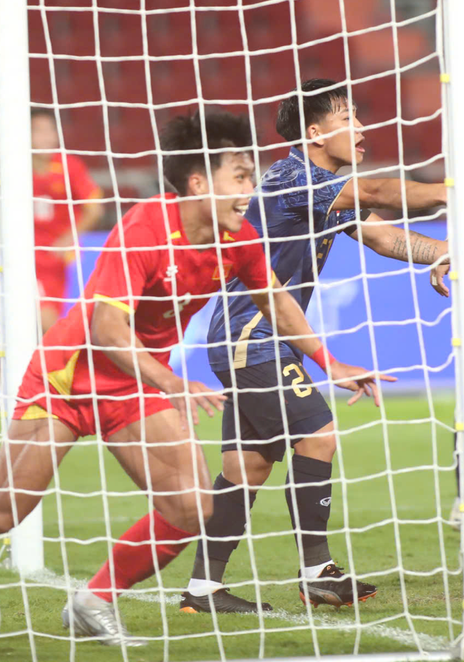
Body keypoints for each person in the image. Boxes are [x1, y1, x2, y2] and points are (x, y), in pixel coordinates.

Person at [0, 110, 385, 649]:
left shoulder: (239, 238)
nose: (251, 190)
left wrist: (330, 362)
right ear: (199, 183)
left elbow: (275, 300)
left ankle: (94, 600)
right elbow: (107, 328)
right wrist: (171, 383)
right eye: (241, 177)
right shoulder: (146, 227)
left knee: (191, 507)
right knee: (1, 512)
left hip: (135, 383)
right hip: (67, 377)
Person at [180, 78, 449, 614]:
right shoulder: (292, 178)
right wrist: (452, 190)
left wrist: (445, 252)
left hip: (263, 338)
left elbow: (384, 237)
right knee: (319, 435)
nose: (362, 128)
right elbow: (375, 193)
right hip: (252, 336)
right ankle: (317, 572)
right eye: (349, 118)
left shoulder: (325, 190)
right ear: (315, 133)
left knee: (248, 467)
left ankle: (203, 589)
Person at [0, 107, 104, 334]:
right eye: (38, 130)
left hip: (55, 258)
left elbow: (95, 208)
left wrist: (70, 237)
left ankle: (4, 358)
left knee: (39, 325)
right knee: (46, 322)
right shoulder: (9, 166)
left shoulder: (69, 166)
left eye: (50, 130)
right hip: (23, 254)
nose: (47, 136)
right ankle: (64, 355)